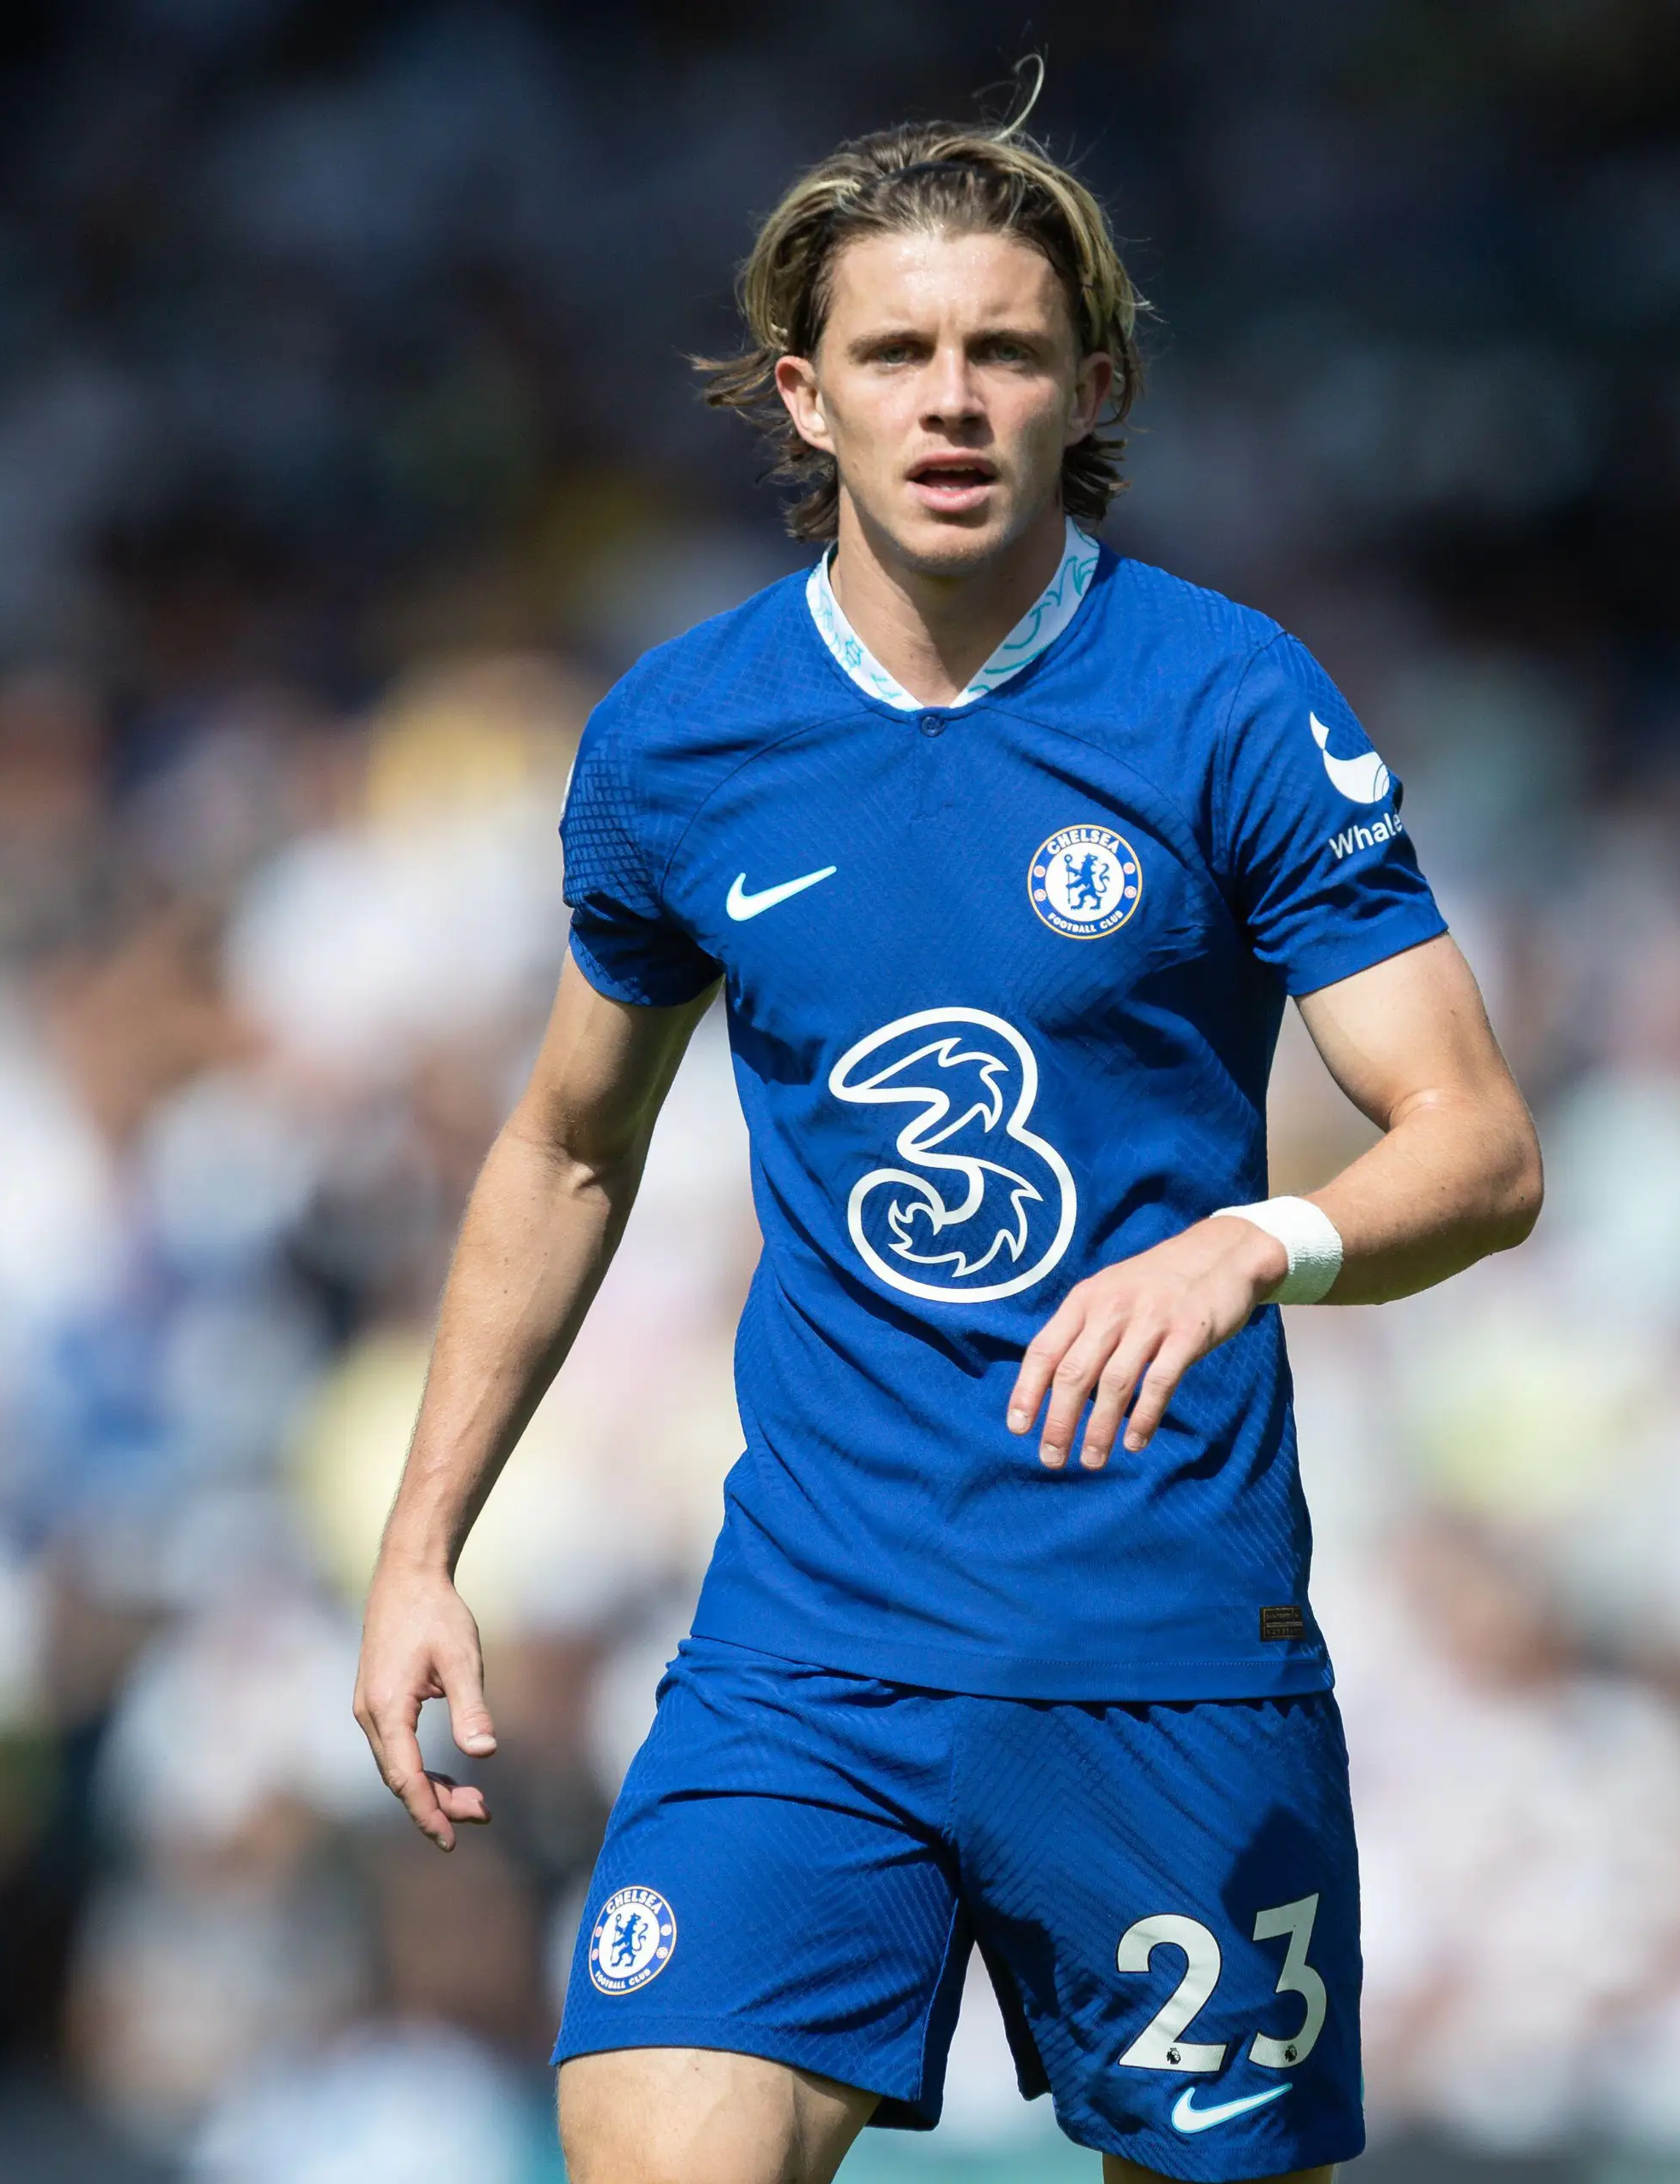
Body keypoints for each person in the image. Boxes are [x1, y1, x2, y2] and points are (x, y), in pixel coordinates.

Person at [352, 102, 1542, 2184]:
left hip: (1160, 1653)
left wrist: (1254, 1240)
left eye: (1005, 351)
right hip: (809, 1650)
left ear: (1095, 385)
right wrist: (423, 1538)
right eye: (898, 355)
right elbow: (563, 1148)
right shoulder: (679, 739)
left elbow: (1475, 1142)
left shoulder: (1228, 705)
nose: (954, 400)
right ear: (804, 397)